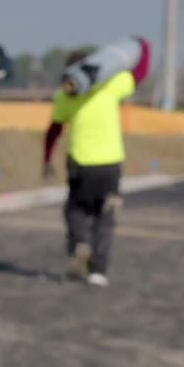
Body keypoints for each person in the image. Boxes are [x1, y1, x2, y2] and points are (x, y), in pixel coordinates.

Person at [43, 38, 151, 286]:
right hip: (110, 164)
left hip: (81, 164)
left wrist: (47, 158)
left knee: (75, 209)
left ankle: (80, 242)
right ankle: (98, 271)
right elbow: (141, 72)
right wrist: (143, 46)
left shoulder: (65, 96)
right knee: (105, 215)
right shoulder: (111, 85)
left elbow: (54, 130)